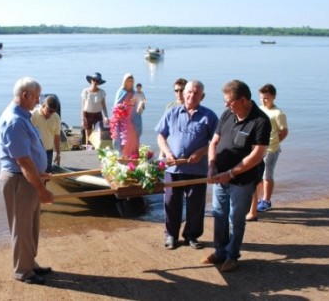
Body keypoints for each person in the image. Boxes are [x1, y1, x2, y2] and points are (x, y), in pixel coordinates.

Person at [204, 80, 271, 272]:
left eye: (230, 101)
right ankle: (219, 252)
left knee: (236, 219)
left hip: (241, 182)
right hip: (219, 178)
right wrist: (211, 166)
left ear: (243, 100)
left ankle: (232, 255)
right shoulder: (227, 114)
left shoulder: (260, 121)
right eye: (225, 101)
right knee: (219, 215)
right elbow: (214, 143)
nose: (226, 105)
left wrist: (231, 173)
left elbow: (257, 155)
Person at [0, 77, 54, 285]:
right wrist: (42, 190)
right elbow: (23, 161)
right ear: (25, 96)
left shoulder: (23, 116)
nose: (39, 102)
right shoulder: (14, 121)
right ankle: (23, 270)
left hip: (27, 179)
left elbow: (30, 156)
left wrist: (40, 176)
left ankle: (30, 263)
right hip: (19, 181)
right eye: (37, 98)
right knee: (21, 227)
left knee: (31, 225)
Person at [155, 80, 218, 250]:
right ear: (183, 94)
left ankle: (192, 235)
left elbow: (216, 142)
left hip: (197, 170)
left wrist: (201, 152)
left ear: (202, 96)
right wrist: (167, 153)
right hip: (173, 168)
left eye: (196, 93)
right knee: (170, 202)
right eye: (189, 92)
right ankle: (171, 236)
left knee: (195, 205)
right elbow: (161, 136)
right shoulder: (172, 113)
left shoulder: (209, 116)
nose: (192, 95)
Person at [246, 84, 289, 220]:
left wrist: (275, 142)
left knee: (267, 175)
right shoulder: (258, 110)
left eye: (266, 98)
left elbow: (284, 131)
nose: (263, 100)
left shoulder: (278, 113)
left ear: (273, 97)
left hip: (271, 149)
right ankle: (258, 200)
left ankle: (267, 200)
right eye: (261, 98)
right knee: (257, 175)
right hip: (258, 148)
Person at [113, 73, 142, 157]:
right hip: (123, 119)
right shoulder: (120, 92)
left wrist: (141, 106)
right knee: (124, 137)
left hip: (133, 117)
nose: (130, 82)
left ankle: (133, 156)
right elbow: (116, 106)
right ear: (124, 82)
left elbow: (140, 103)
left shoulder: (135, 93)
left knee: (133, 136)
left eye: (131, 81)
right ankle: (124, 155)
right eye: (128, 81)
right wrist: (121, 108)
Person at [31, 95, 61, 172]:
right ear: (43, 106)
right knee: (35, 174)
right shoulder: (33, 115)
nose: (51, 114)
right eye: (50, 111)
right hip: (35, 151)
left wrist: (58, 154)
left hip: (48, 151)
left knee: (46, 175)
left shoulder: (56, 117)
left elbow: (57, 136)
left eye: (54, 111)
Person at [81, 72, 110, 148]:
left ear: (99, 83)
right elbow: (83, 107)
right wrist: (83, 119)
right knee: (88, 134)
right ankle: (88, 149)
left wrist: (106, 116)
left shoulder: (101, 92)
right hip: (87, 114)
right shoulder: (85, 91)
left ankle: (96, 149)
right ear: (91, 81)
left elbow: (104, 106)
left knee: (98, 133)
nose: (95, 82)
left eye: (97, 81)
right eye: (94, 80)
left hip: (98, 114)